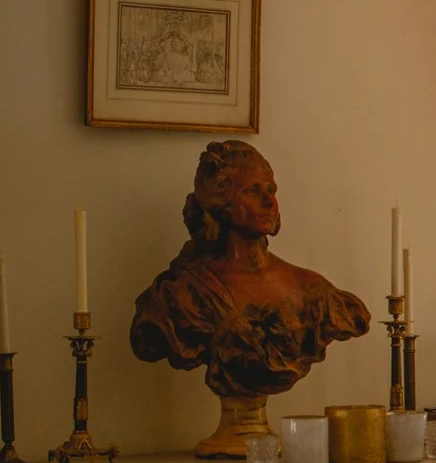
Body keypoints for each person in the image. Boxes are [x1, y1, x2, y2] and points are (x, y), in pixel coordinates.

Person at [130, 140, 370, 404]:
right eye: (253, 191)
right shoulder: (182, 293)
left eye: (271, 190)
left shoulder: (312, 290)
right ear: (221, 202)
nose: (269, 201)